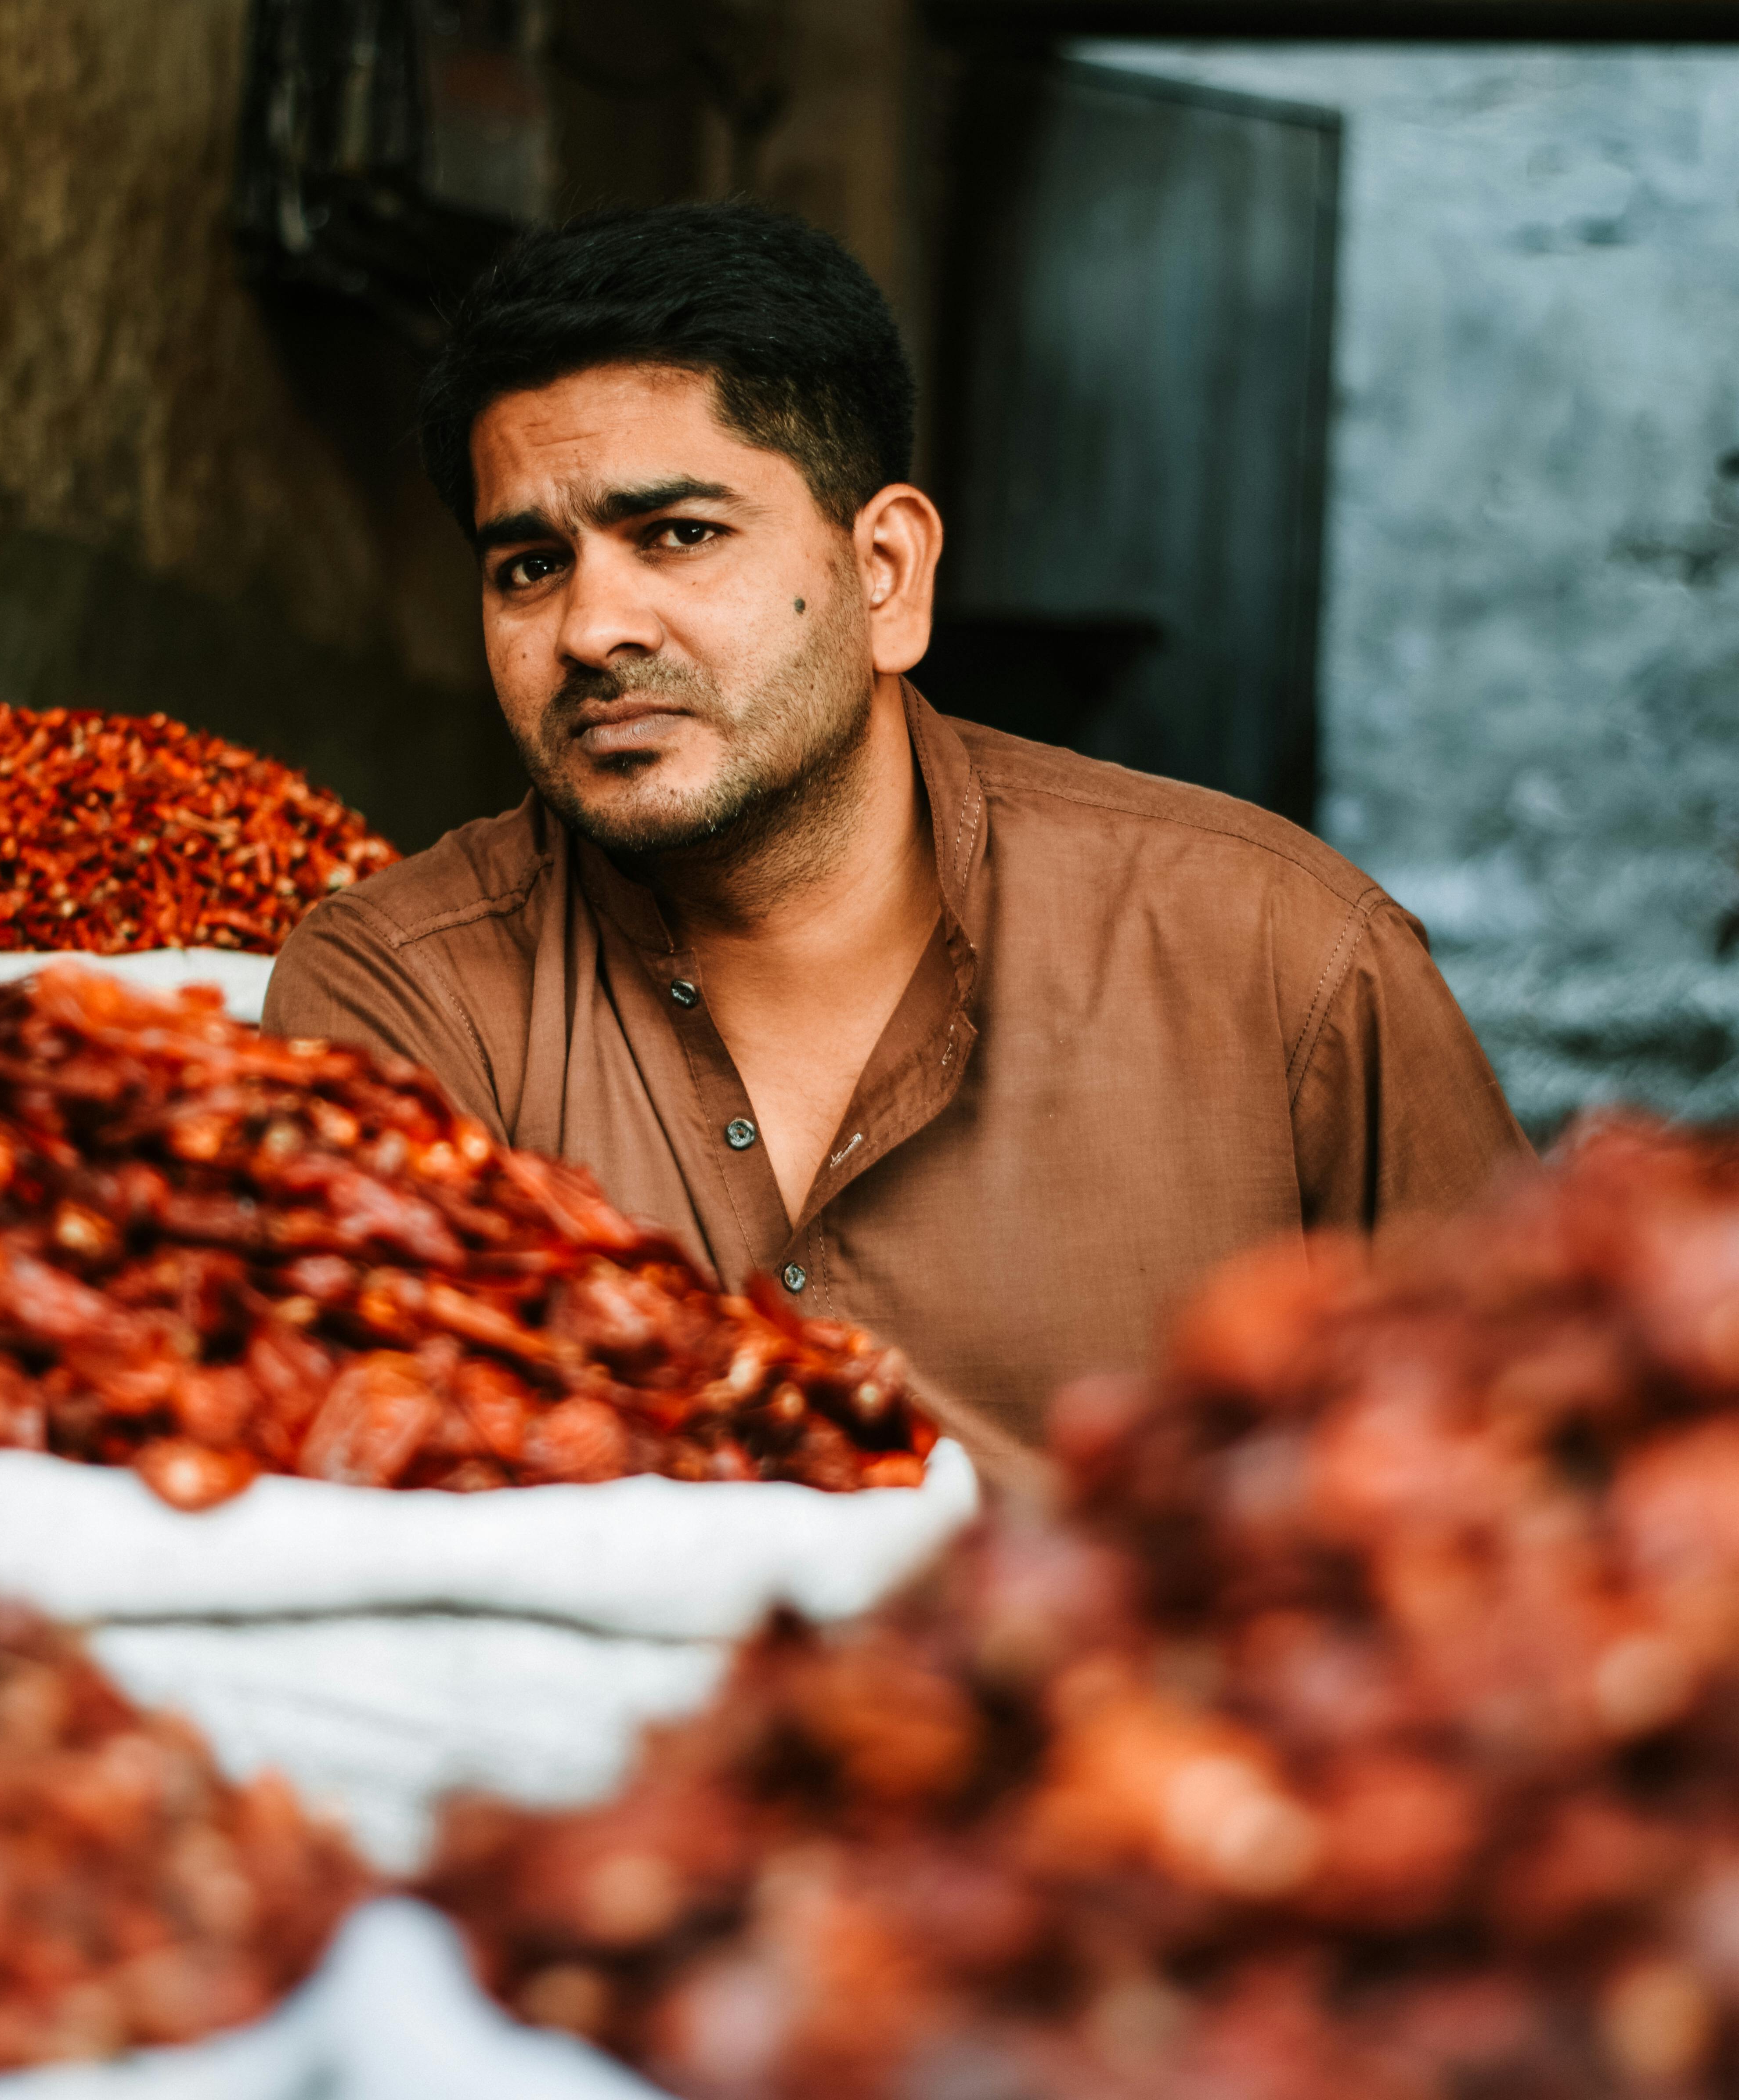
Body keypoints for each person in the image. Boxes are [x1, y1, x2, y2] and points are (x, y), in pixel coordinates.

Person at [263, 202, 1529, 1477]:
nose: (592, 629)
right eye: (530, 566)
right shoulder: (407, 998)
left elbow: (1542, 1472)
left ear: (886, 572)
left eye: (679, 535)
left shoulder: (1276, 959)